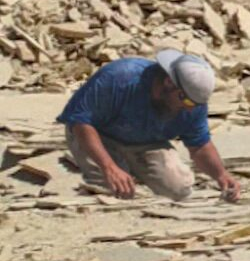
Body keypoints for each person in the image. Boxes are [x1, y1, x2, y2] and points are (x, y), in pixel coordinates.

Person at [56, 50, 239, 202]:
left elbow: (199, 145)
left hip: (147, 141)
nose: (187, 108)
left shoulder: (191, 103)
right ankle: (116, 168)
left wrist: (221, 175)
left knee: (178, 189)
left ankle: (131, 168)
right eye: (185, 100)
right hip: (98, 135)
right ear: (168, 82)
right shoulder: (120, 78)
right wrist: (109, 167)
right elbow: (81, 123)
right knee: (113, 192)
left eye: (194, 104)